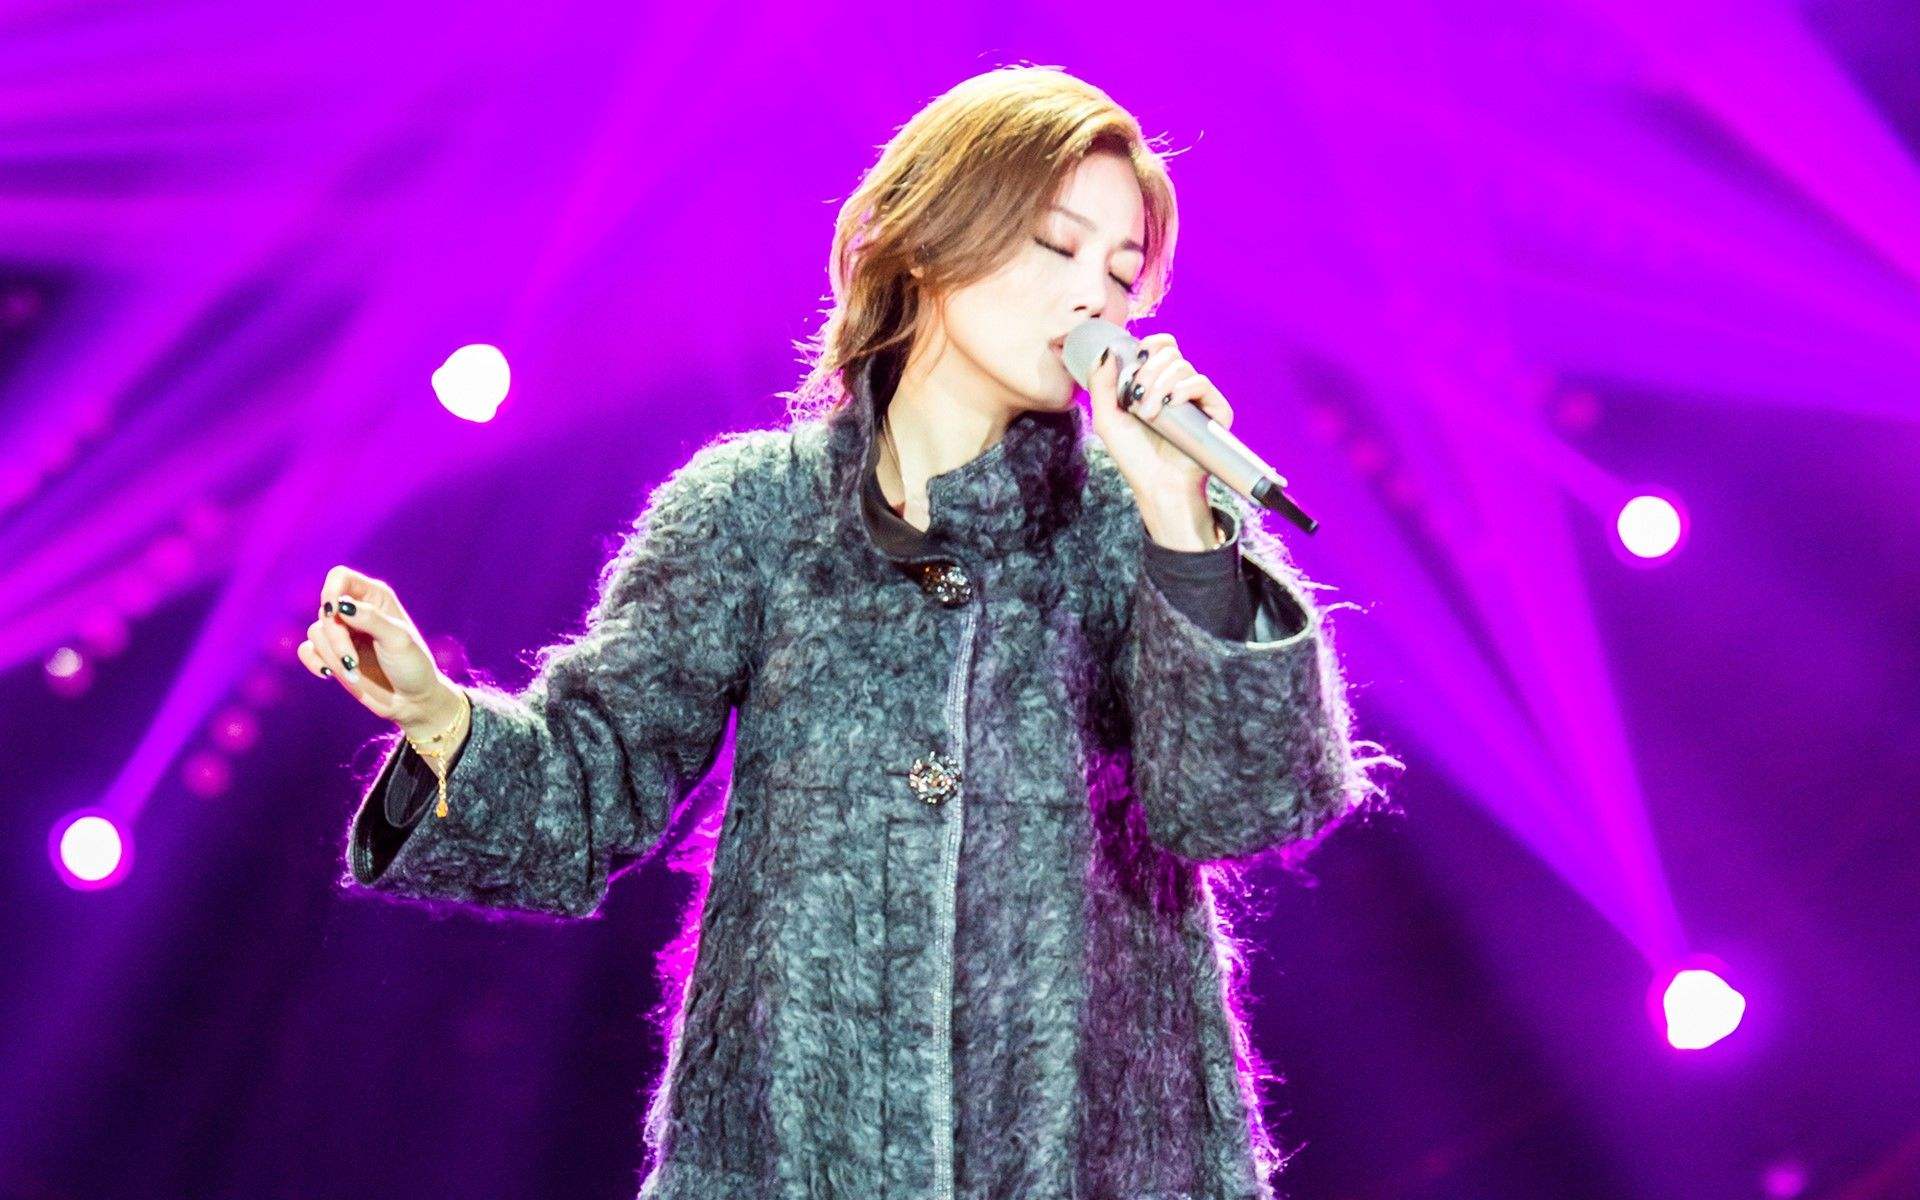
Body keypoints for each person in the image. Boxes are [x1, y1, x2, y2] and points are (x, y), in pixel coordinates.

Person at [302, 65, 1395, 1200]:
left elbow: (1246, 806)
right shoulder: (753, 509)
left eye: (1122, 275)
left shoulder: (1136, 521)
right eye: (1056, 245)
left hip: (1099, 1157)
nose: (1095, 299)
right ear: (928, 239)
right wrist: (437, 715)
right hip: (793, 1155)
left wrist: (1182, 520)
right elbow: (592, 786)